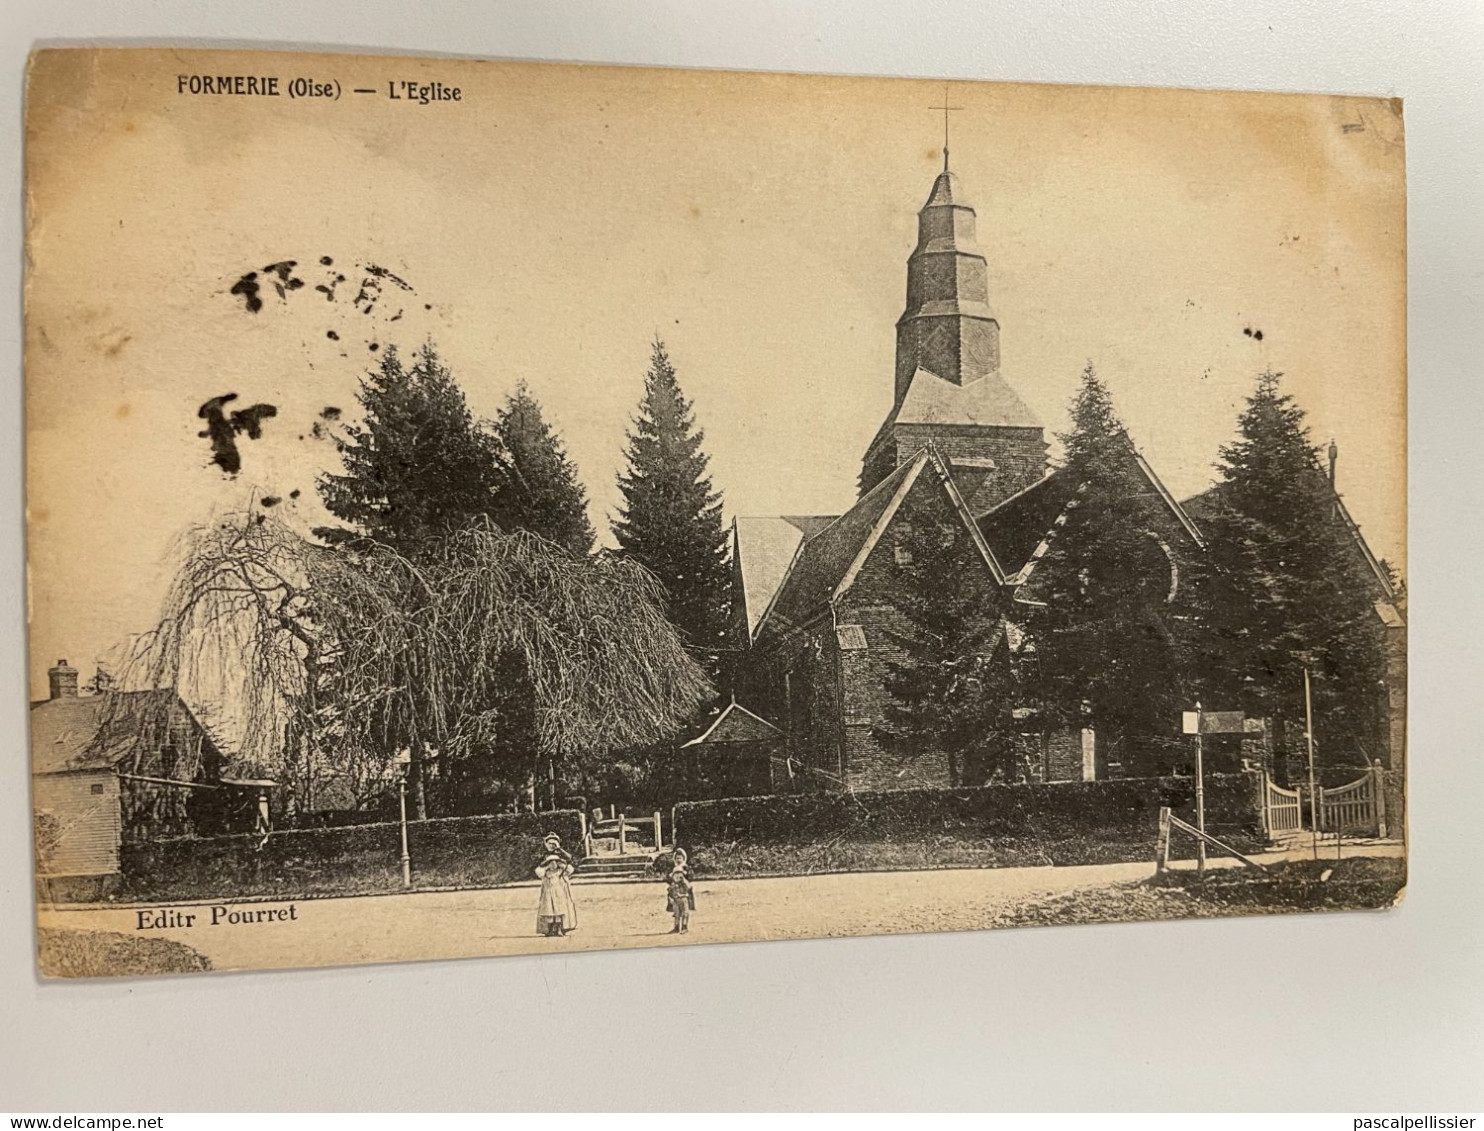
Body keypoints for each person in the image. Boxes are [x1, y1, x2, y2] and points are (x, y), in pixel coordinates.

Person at [534, 833, 578, 937]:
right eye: (549, 843)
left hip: (560, 882)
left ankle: (560, 927)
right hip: (548, 882)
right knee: (548, 905)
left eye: (554, 843)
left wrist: (560, 855)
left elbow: (570, 860)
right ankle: (549, 928)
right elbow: (538, 867)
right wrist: (546, 864)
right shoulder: (543, 854)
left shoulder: (561, 852)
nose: (552, 846)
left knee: (560, 904)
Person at [665, 848, 695, 934]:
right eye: (677, 858)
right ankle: (676, 927)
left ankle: (685, 927)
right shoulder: (673, 868)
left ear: (683, 858)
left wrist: (685, 875)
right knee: (676, 911)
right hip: (675, 893)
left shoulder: (686, 867)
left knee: (685, 911)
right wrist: (671, 877)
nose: (678, 860)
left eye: (680, 858)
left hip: (684, 893)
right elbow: (667, 879)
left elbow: (691, 877)